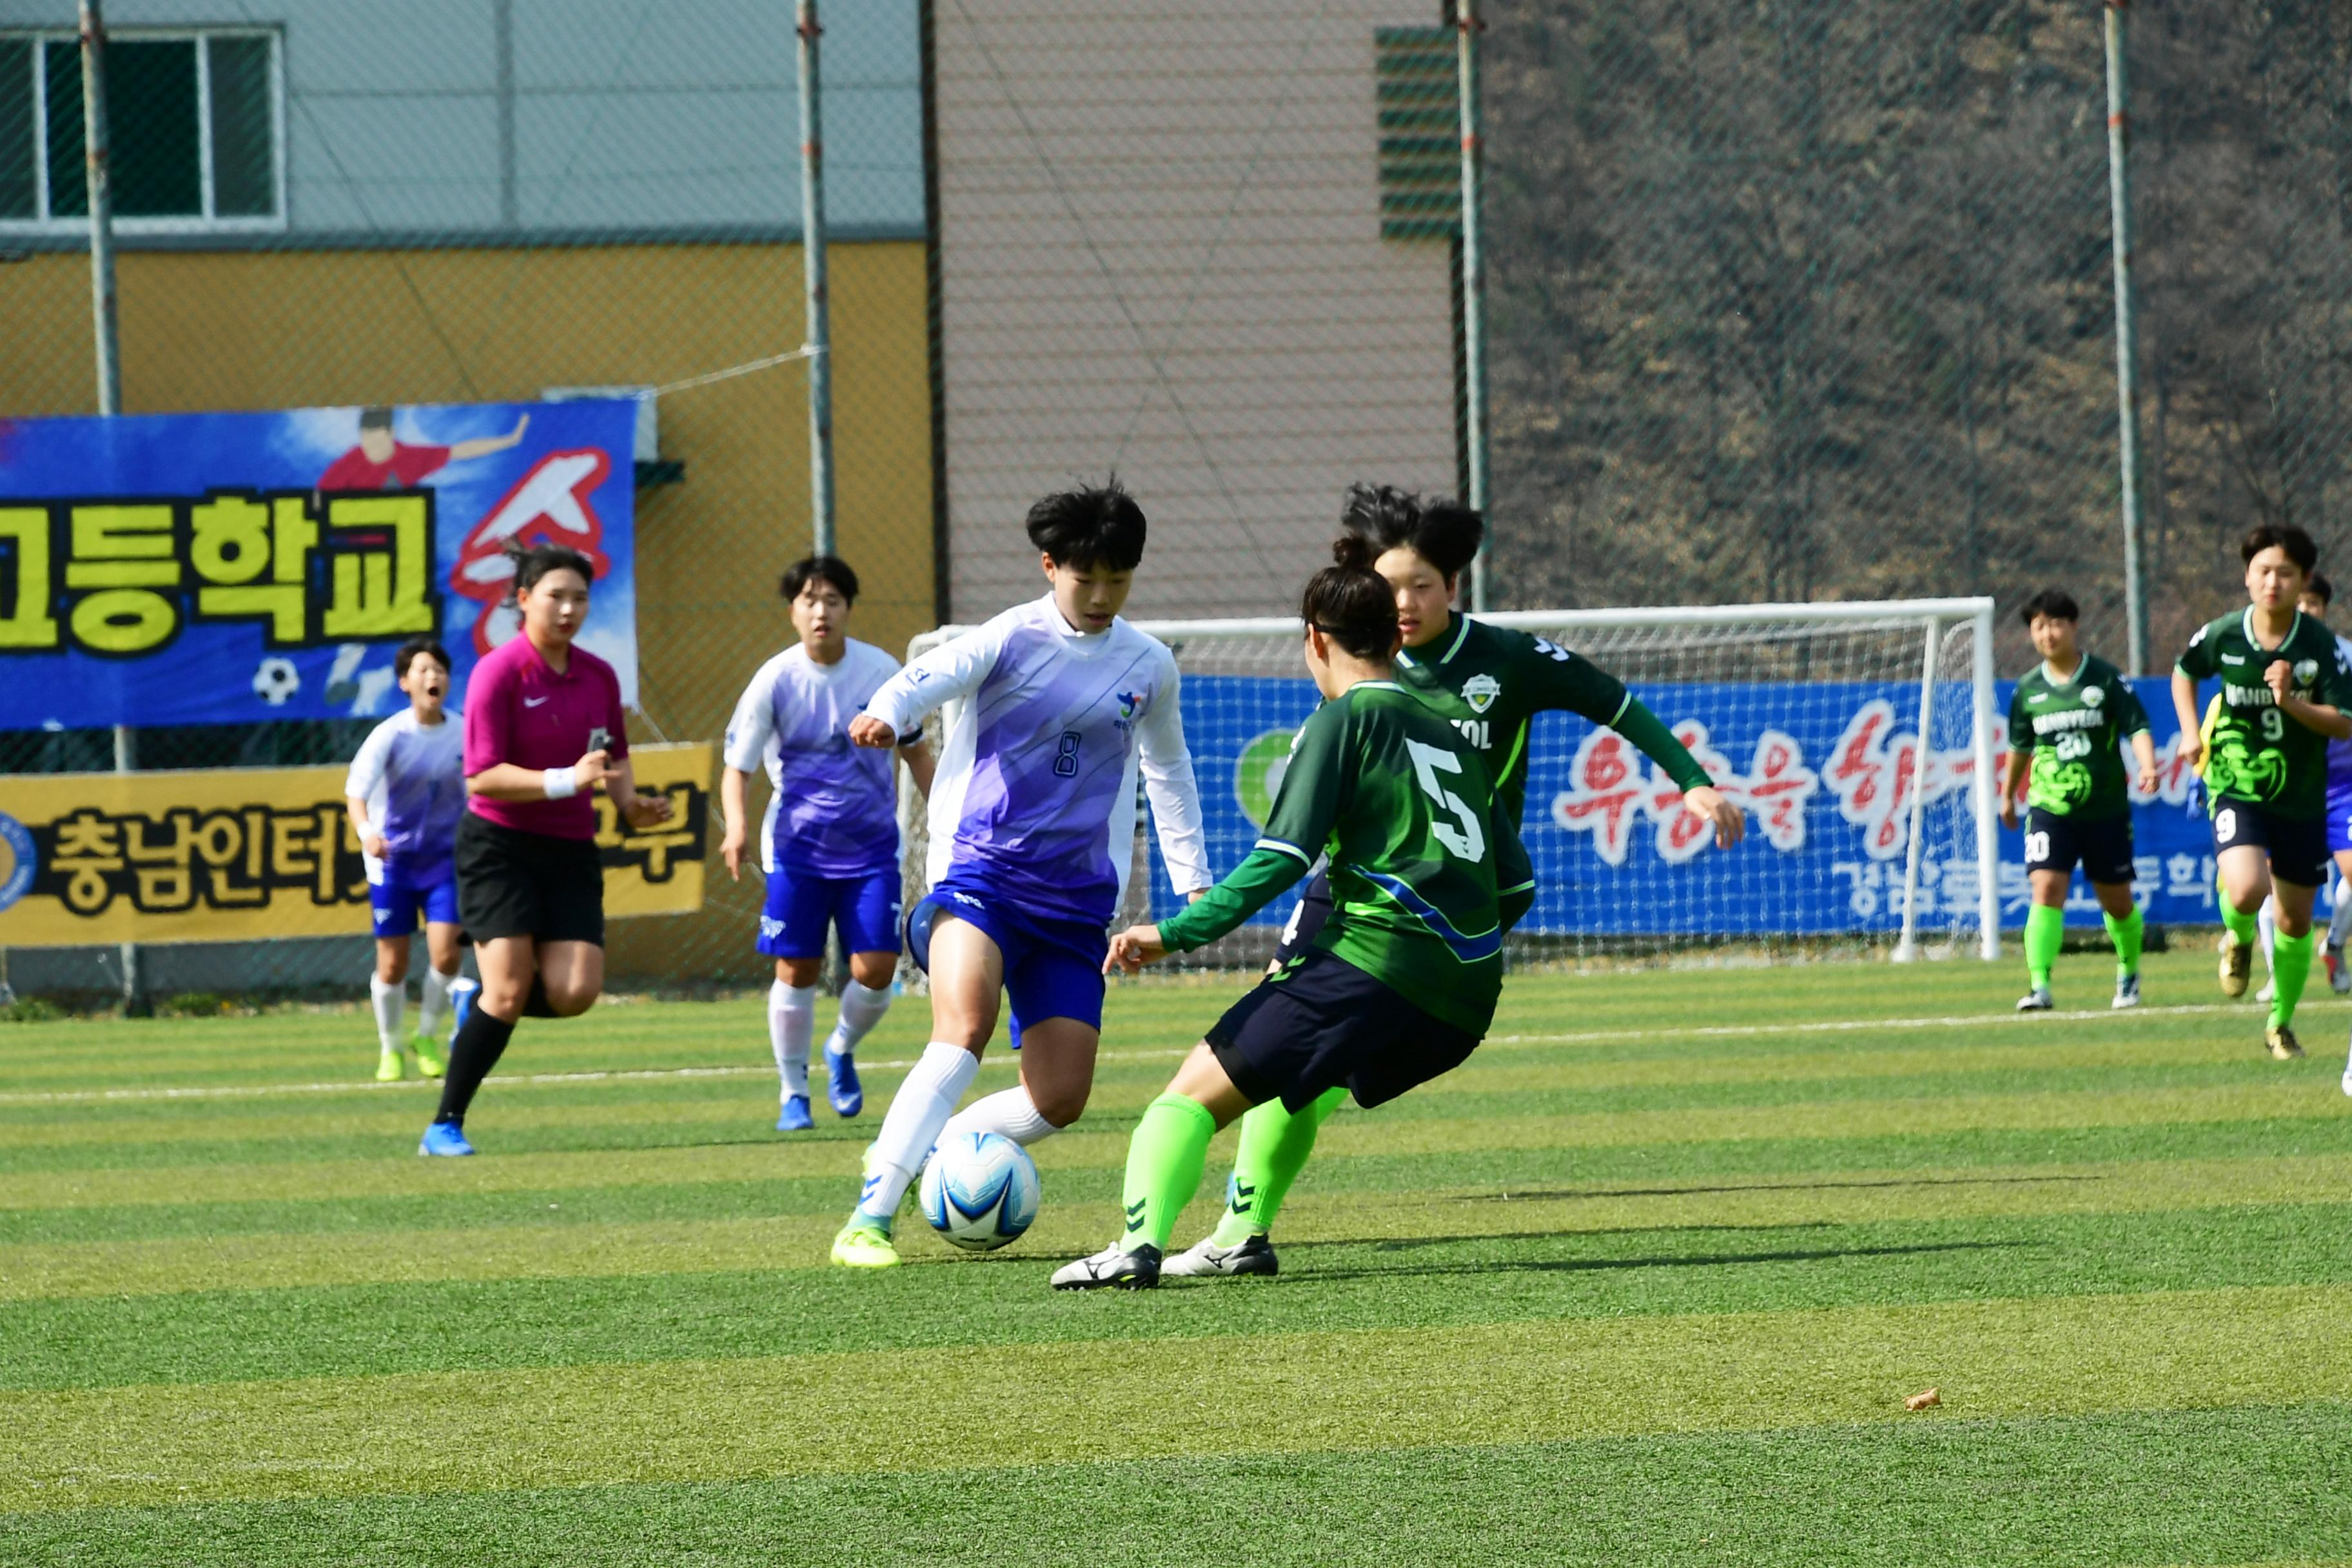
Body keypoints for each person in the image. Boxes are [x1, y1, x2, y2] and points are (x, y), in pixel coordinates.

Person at [1164, 485, 1744, 1280]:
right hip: (1357, 895)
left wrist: (1692, 782)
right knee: (1297, 1061)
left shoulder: (1504, 659)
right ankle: (1243, 1226)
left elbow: (1617, 703)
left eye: (1422, 585)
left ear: (1453, 587)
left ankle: (1237, 1227)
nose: (1403, 601)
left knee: (1309, 1064)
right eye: (1388, 584)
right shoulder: (1361, 667)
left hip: (1467, 899)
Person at [1053, 544, 1502, 1289]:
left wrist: (1171, 932)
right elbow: (1510, 878)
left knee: (1188, 1098)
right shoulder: (1453, 728)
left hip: (1375, 962)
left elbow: (1282, 859)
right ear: (1396, 637)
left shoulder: (1341, 719)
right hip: (1467, 998)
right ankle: (1241, 1235)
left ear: (1316, 639)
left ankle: (1135, 1246)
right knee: (1303, 1078)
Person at [827, 480, 1213, 1269]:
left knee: (1060, 1099)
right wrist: (885, 713)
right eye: (1086, 578)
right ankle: (870, 1212)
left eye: (1119, 579)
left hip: (1075, 905)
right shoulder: (1008, 638)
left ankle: (936, 1146)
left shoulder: (1149, 664)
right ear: (1050, 566)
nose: (1103, 595)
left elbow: (1168, 771)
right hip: (981, 879)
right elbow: (923, 679)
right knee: (961, 1030)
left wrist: (1195, 883)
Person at [418, 542, 674, 1155]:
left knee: (575, 992)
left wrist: (631, 805)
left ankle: (480, 1009)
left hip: (569, 849)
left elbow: (610, 756)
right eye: (555, 596)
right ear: (523, 599)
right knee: (508, 991)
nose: (568, 608)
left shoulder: (597, 675)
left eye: (580, 597)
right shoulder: (497, 672)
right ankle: (444, 1124)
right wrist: (565, 779)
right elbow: (480, 777)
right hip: (498, 847)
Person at [720, 556, 936, 1132]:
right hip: (797, 850)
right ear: (793, 612)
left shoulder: (880, 670)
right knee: (797, 969)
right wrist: (737, 827)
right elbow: (737, 767)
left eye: (833, 601)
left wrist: (944, 814)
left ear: (848, 610)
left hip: (871, 850)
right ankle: (794, 1092)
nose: (822, 612)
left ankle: (841, 1047)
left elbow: (914, 749)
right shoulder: (775, 679)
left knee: (877, 970)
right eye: (810, 601)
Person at [2173, 524, 2352, 1061]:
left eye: (2285, 573)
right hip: (2236, 781)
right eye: (2263, 571)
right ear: (2248, 576)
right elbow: (2185, 671)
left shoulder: (2321, 646)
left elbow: (2344, 723)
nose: (2272, 581)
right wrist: (2188, 731)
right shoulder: (2226, 633)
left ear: (2303, 583)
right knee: (2249, 890)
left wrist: (2291, 702)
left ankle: (2281, 1024)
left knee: (2296, 920)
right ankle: (2238, 939)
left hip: (2300, 793)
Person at [1998, 589, 2158, 1013]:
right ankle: (2039, 986)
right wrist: (2007, 794)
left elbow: (2136, 724)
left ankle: (2128, 971)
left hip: (2105, 808)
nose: (2047, 634)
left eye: (2055, 624)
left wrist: (2147, 765)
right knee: (2046, 888)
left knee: (2117, 900)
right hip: (2050, 807)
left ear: (2073, 626)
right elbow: (2020, 745)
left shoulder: (2104, 678)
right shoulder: (2028, 690)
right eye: (2038, 626)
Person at [346, 637, 471, 1082]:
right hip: (393, 864)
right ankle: (390, 1047)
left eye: (439, 669)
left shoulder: (463, 731)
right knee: (393, 963)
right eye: (422, 670)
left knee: (447, 956)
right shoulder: (390, 735)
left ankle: (426, 1035)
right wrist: (367, 835)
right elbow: (355, 794)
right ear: (404, 682)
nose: (432, 677)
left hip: (444, 863)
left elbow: (479, 787)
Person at [320, 406, 529, 491]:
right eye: (366, 440)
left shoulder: (412, 457)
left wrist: (509, 440)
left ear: (391, 434)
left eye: (378, 440)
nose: (372, 448)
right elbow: (320, 497)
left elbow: (460, 451)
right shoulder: (350, 462)